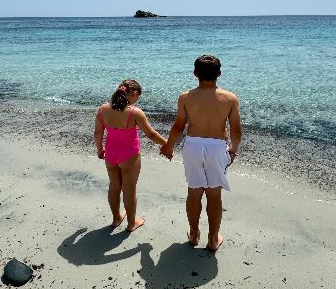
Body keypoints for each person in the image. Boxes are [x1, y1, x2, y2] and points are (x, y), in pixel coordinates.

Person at [160, 55, 242, 251]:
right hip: (217, 146)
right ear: (219, 74)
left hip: (193, 146)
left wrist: (169, 147)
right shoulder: (230, 98)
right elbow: (236, 129)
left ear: (195, 73)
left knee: (194, 191)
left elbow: (179, 126)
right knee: (214, 195)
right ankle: (213, 239)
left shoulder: (186, 97)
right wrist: (233, 149)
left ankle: (194, 234)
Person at [94, 79, 168, 232]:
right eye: (138, 96)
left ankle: (116, 218)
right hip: (129, 156)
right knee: (129, 189)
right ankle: (131, 223)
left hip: (111, 154)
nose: (137, 100)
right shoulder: (135, 112)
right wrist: (166, 143)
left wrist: (99, 149)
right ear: (133, 94)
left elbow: (98, 133)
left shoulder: (102, 110)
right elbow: (151, 134)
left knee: (114, 186)